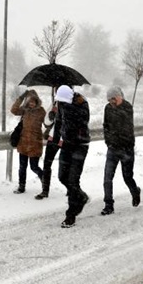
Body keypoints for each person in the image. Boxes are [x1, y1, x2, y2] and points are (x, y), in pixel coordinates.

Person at [54, 85, 90, 228]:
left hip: (80, 145)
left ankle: (71, 215)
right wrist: (56, 139)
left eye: (63, 101)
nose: (61, 103)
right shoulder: (61, 104)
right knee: (62, 176)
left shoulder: (82, 103)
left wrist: (69, 109)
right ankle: (81, 196)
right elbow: (59, 121)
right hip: (67, 144)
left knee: (73, 179)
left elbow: (83, 120)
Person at [101, 86, 141, 215]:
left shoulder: (127, 107)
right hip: (112, 148)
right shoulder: (107, 108)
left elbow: (124, 125)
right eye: (109, 99)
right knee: (107, 178)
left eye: (114, 99)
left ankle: (135, 191)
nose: (111, 101)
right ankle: (108, 205)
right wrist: (108, 141)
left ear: (120, 97)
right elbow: (106, 125)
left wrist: (117, 109)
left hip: (126, 149)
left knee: (127, 177)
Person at [10, 89, 46, 194]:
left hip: (35, 144)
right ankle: (21, 187)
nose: (31, 103)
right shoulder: (24, 110)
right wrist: (21, 98)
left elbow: (48, 124)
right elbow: (13, 110)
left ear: (37, 101)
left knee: (34, 167)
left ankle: (44, 179)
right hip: (23, 143)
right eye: (30, 101)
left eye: (33, 101)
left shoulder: (41, 111)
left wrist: (51, 118)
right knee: (22, 167)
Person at [34, 98, 61, 200]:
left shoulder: (72, 103)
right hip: (53, 137)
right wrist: (51, 116)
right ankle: (45, 191)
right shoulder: (55, 103)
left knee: (66, 166)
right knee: (46, 164)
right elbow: (46, 122)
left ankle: (71, 189)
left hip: (66, 139)